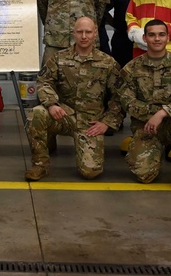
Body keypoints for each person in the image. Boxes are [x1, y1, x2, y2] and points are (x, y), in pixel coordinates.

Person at [24, 17, 124, 181]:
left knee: (90, 172)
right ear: (73, 33)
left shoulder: (107, 63)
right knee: (37, 114)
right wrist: (51, 104)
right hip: (64, 115)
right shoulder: (59, 58)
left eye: (88, 32)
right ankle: (40, 164)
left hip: (90, 123)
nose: (84, 36)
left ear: (95, 34)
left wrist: (107, 122)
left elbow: (118, 96)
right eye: (80, 32)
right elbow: (44, 81)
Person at [120, 19, 171, 192]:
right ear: (144, 38)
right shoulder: (132, 68)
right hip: (146, 126)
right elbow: (126, 100)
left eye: (161, 34)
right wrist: (152, 114)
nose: (157, 39)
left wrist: (164, 112)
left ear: (167, 38)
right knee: (144, 176)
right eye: (152, 35)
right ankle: (154, 152)